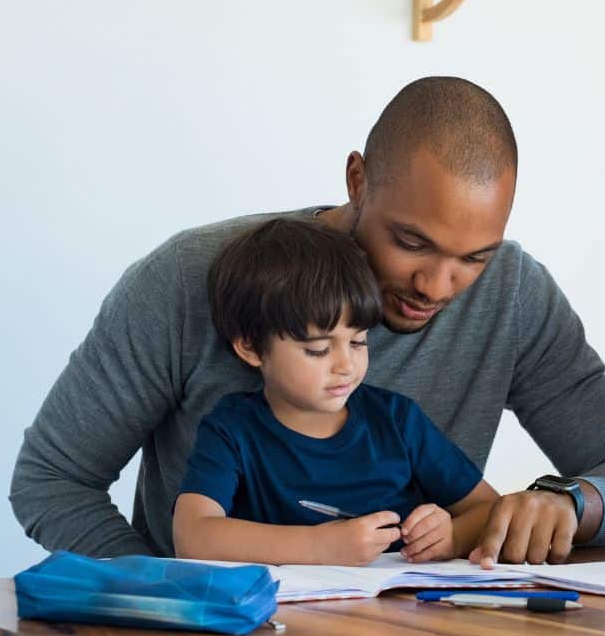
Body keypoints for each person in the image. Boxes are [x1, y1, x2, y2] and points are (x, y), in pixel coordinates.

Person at [11, 77, 605, 565]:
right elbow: (52, 481)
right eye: (411, 243)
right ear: (358, 178)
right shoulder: (190, 280)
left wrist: (572, 504)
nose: (437, 287)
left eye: (474, 258)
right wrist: (167, 598)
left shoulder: (513, 293)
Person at [173, 218, 499, 566]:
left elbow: (489, 508)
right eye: (318, 350)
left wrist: (451, 536)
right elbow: (193, 536)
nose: (346, 365)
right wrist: (318, 546)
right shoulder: (233, 429)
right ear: (251, 347)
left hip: (398, 612)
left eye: (358, 341)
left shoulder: (396, 421)